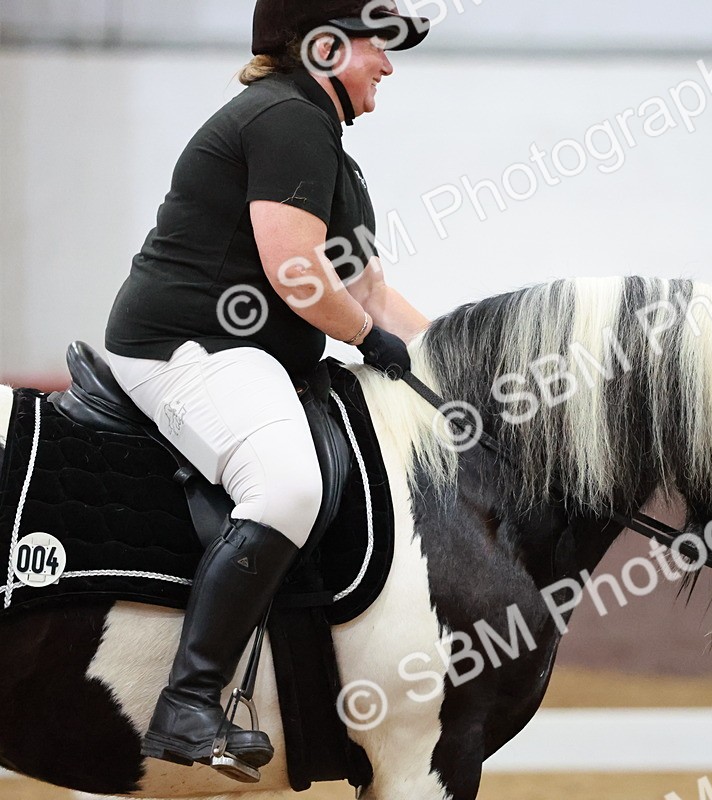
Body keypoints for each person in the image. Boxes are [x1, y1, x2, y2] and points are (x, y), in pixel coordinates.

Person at [103, 0, 430, 781]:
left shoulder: (327, 146)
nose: (388, 63)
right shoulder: (287, 117)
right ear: (323, 45)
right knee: (287, 484)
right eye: (374, 45)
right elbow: (296, 271)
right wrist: (365, 340)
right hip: (190, 349)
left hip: (248, 357)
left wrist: (451, 367)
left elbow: (369, 290)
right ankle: (189, 700)